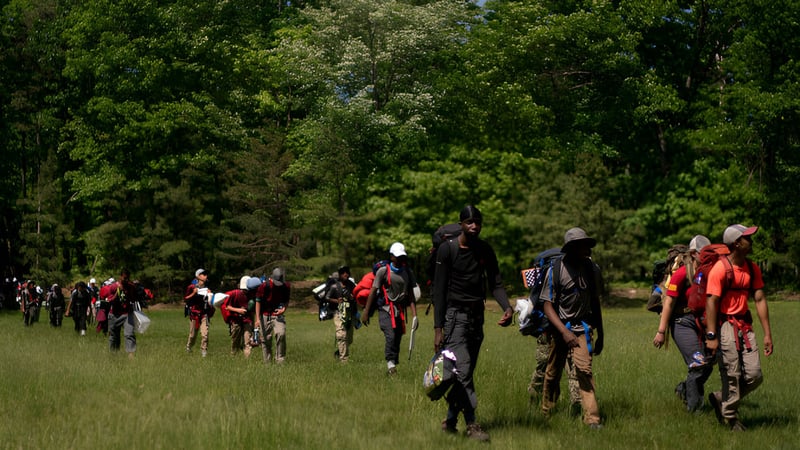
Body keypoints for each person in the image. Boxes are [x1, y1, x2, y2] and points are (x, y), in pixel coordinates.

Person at [432, 205, 514, 441]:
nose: (474, 226)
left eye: (477, 222)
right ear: (461, 225)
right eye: (469, 222)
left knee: (463, 373)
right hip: (454, 317)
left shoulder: (485, 250)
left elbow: (496, 284)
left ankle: (449, 422)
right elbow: (438, 292)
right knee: (464, 369)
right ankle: (472, 425)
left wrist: (506, 307)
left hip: (476, 318)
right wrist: (438, 329)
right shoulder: (447, 250)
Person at [705, 224, 773, 431]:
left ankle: (721, 399)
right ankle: (731, 418)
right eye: (747, 238)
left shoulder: (752, 268)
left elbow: (759, 298)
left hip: (745, 324)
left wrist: (767, 333)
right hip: (726, 324)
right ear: (736, 243)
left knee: (754, 375)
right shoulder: (719, 269)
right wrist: (711, 335)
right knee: (731, 373)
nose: (751, 242)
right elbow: (711, 302)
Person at [540, 227, 604, 429]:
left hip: (582, 328)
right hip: (560, 329)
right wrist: (563, 331)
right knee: (552, 373)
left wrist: (601, 333)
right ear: (572, 248)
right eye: (582, 245)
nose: (587, 249)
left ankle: (592, 419)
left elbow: (595, 302)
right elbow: (547, 305)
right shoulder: (556, 270)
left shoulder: (592, 270)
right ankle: (546, 412)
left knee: (584, 370)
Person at [652, 235, 713, 412]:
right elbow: (668, 303)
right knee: (698, 364)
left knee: (708, 364)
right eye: (704, 254)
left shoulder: (708, 272)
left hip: (701, 322)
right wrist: (661, 331)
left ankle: (684, 389)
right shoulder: (681, 274)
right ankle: (695, 410)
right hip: (682, 323)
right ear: (694, 254)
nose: (708, 257)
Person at [362, 242, 419, 376]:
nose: (400, 260)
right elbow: (373, 291)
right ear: (391, 257)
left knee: (398, 337)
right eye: (397, 257)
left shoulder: (407, 272)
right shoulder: (383, 271)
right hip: (385, 308)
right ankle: (390, 365)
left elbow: (411, 294)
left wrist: (415, 315)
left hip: (399, 310)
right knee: (391, 335)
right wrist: (366, 312)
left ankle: (393, 363)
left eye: (402, 257)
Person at [528, 333, 581, 416]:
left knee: (575, 372)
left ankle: (577, 411)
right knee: (542, 372)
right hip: (548, 333)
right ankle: (535, 406)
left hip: (572, 331)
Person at [254, 268, 291, 364]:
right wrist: (257, 319)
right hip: (265, 314)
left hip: (277, 314)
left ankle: (280, 360)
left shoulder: (286, 286)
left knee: (281, 334)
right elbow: (257, 302)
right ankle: (267, 362)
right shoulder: (264, 286)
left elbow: (286, 300)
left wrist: (283, 309)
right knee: (266, 339)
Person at [327, 266, 357, 362]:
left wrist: (353, 297)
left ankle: (339, 352)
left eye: (347, 272)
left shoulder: (351, 285)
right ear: (340, 274)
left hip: (349, 313)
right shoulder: (334, 286)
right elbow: (327, 297)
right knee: (341, 335)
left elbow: (357, 294)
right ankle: (344, 360)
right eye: (343, 272)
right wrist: (336, 301)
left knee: (349, 338)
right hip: (338, 313)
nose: (346, 274)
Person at [225, 276, 259, 357]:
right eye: (244, 290)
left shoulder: (251, 295)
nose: (246, 292)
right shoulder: (235, 294)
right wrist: (238, 310)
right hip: (236, 320)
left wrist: (254, 324)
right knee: (235, 341)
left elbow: (252, 312)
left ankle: (247, 359)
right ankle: (233, 355)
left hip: (247, 321)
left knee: (247, 342)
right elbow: (227, 307)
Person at [107, 269, 138, 356]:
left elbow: (133, 299)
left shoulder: (131, 286)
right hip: (114, 314)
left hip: (127, 313)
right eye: (124, 278)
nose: (126, 280)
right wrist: (118, 292)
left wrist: (132, 291)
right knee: (114, 336)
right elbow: (110, 301)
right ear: (120, 277)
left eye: (128, 278)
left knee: (129, 334)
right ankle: (113, 353)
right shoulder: (113, 287)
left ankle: (130, 354)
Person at [184, 269, 214, 357]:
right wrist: (193, 293)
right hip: (194, 314)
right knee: (193, 335)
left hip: (204, 314)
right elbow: (186, 299)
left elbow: (210, 302)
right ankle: (188, 347)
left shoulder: (207, 288)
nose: (205, 276)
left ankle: (204, 351)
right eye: (203, 274)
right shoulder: (191, 287)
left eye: (206, 274)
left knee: (205, 334)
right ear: (198, 276)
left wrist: (210, 296)